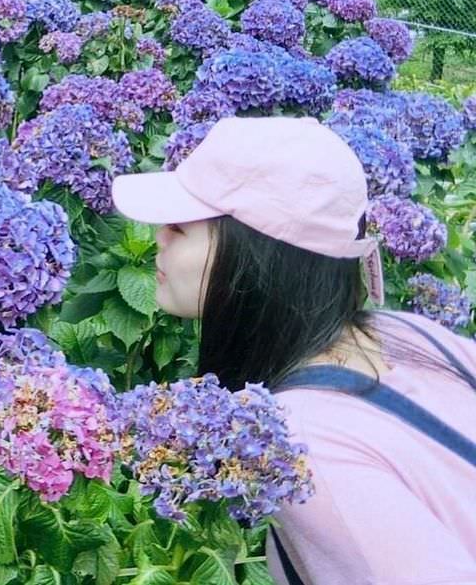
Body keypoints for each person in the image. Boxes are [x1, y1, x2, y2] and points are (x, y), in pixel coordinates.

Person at [110, 115, 476, 585]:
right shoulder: (406, 333)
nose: (158, 236)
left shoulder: (298, 443)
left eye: (180, 227)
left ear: (255, 256)